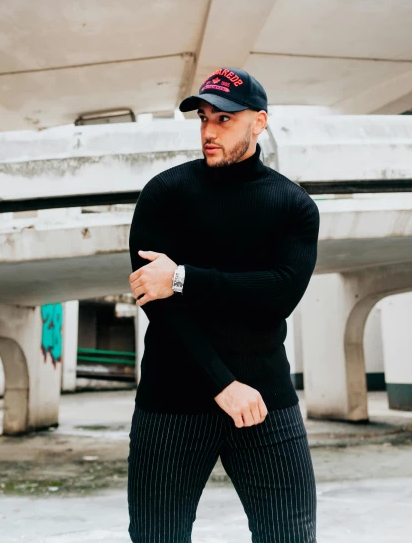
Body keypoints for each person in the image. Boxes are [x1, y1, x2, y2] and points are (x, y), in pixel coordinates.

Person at [127, 67, 320, 542]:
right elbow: (159, 306)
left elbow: (280, 295)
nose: (209, 132)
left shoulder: (292, 206)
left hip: (264, 401)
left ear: (259, 122)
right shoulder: (165, 194)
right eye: (204, 118)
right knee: (158, 537)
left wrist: (181, 277)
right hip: (172, 400)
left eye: (225, 120)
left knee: (289, 536)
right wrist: (225, 385)